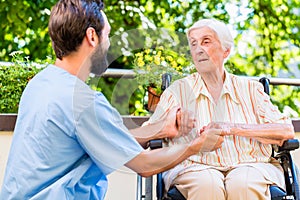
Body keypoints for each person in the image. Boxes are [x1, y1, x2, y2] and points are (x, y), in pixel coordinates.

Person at [0, 1, 226, 199]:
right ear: (91, 36)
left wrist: (158, 130)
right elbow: (144, 165)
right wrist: (195, 145)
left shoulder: (41, 83)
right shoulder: (83, 101)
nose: (108, 44)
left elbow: (106, 139)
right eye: (107, 35)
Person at [145, 18, 295, 199]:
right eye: (193, 44)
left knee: (243, 183)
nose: (198, 49)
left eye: (206, 42)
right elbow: (148, 134)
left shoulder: (251, 89)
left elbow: (285, 130)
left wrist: (231, 128)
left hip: (252, 165)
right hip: (194, 167)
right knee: (207, 185)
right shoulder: (177, 91)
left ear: (226, 50)